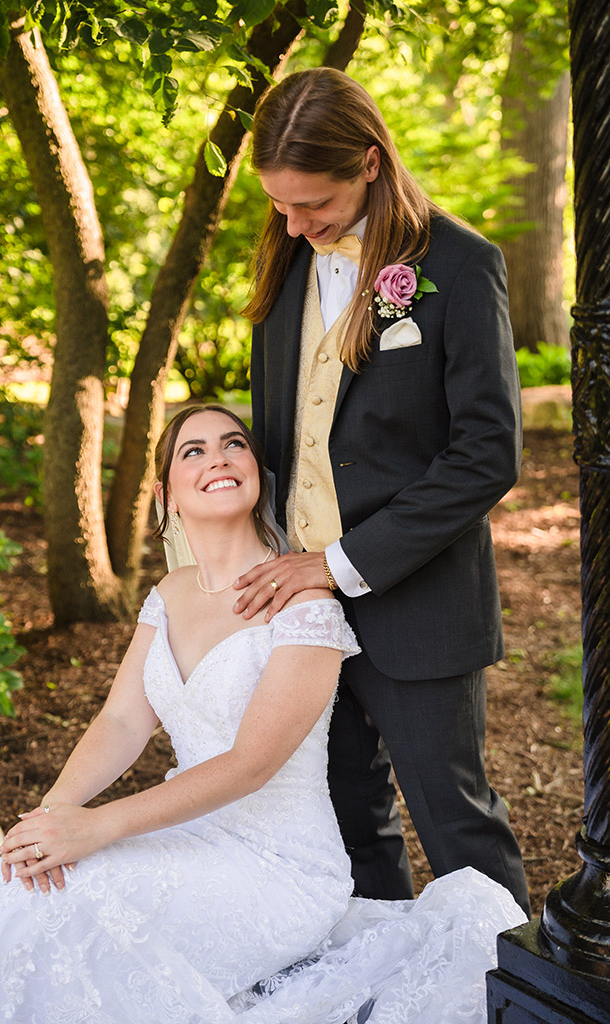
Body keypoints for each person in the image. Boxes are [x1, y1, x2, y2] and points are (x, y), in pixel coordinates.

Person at [0, 405, 525, 1023]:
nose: (217, 457)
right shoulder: (170, 594)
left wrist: (97, 825)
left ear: (256, 473)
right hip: (184, 835)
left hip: (278, 867)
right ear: (166, 497)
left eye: (232, 444)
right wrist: (46, 821)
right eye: (193, 451)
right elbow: (122, 723)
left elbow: (249, 764)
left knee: (77, 900)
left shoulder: (303, 601)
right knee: (25, 885)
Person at [235, 67, 531, 916]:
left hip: (419, 602)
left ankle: (501, 996)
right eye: (280, 205)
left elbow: (486, 455)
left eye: (310, 205)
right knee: (343, 821)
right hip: (299, 608)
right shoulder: (287, 262)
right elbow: (284, 431)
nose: (292, 225)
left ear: (368, 162)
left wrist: (344, 562)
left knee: (457, 828)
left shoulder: (461, 265)